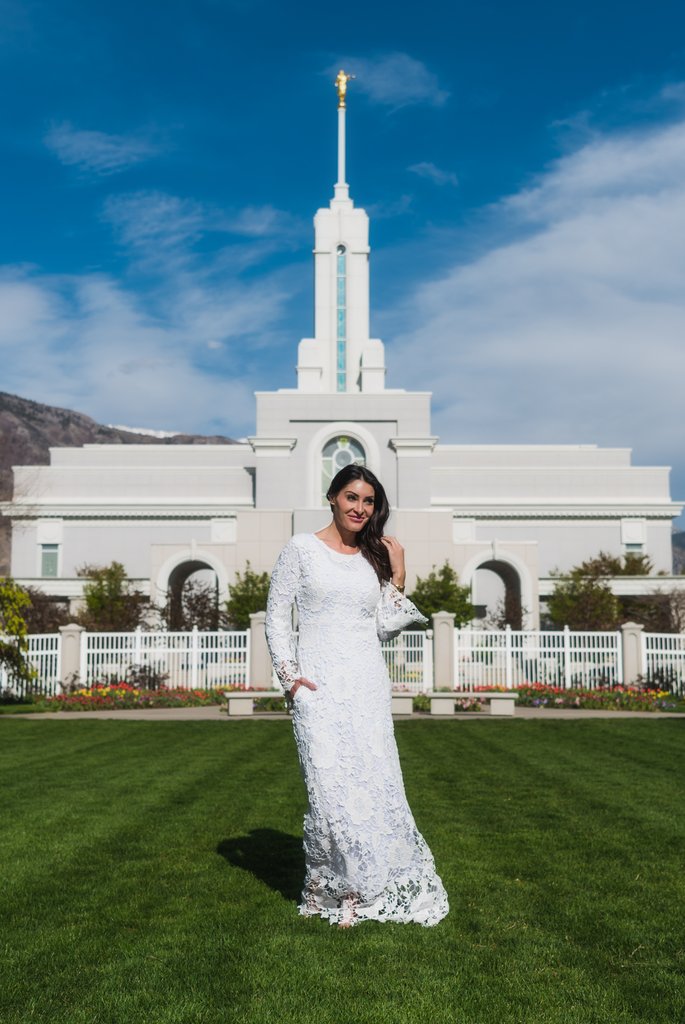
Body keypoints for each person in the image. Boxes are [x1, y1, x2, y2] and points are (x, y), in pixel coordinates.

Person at [265, 464, 449, 928]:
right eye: (351, 498)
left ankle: (356, 890)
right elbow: (276, 616)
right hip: (318, 687)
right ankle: (329, 885)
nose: (360, 509)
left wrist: (399, 574)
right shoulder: (301, 549)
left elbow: (384, 628)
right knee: (328, 789)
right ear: (332, 497)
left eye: (368, 502)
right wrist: (290, 678)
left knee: (369, 785)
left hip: (366, 684)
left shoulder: (373, 557)